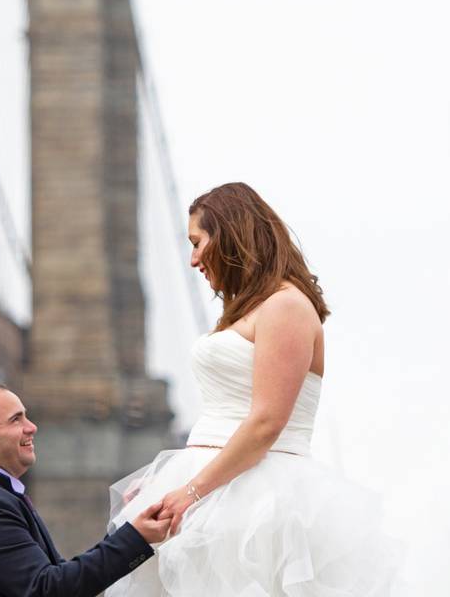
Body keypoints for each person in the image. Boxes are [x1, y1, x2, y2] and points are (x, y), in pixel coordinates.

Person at [105, 182, 402, 596]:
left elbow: (266, 422)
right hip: (217, 483)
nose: (192, 260)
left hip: (258, 495)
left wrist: (188, 493)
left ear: (228, 237)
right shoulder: (247, 310)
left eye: (197, 243)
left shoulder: (286, 307)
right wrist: (172, 481)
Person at [0, 381, 171, 597]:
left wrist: (127, 525)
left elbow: (57, 577)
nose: (32, 427)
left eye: (26, 416)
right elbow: (49, 589)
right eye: (16, 419)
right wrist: (136, 538)